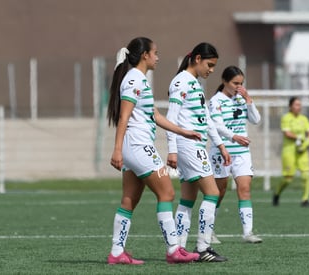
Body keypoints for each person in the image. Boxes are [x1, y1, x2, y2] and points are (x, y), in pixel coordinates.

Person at [107, 37, 201, 265]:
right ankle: (173, 249)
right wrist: (117, 150)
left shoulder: (139, 79)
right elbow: (124, 117)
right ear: (144, 56)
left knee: (129, 200)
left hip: (135, 147)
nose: (158, 57)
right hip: (138, 146)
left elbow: (156, 116)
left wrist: (183, 132)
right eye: (155, 53)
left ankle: (117, 253)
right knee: (167, 193)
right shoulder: (134, 80)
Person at [166, 42, 231, 262]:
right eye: (209, 64)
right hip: (189, 146)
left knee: (187, 199)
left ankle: (179, 248)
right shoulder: (181, 82)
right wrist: (172, 150)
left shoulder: (193, 83)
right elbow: (171, 119)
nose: (211, 70)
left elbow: (207, 119)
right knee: (212, 194)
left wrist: (221, 145)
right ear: (197, 59)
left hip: (194, 146)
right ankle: (203, 248)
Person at [208, 66, 262, 244]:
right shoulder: (216, 101)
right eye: (235, 83)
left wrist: (248, 99)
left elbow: (256, 120)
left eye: (241, 84)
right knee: (219, 192)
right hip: (222, 152)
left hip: (242, 153)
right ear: (225, 81)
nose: (238, 87)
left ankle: (248, 233)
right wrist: (234, 137)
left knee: (245, 189)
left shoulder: (241, 99)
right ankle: (209, 230)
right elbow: (216, 126)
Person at [273, 96, 309, 207]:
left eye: (300, 105)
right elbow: (287, 133)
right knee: (288, 179)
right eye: (296, 105)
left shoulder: (303, 119)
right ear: (290, 106)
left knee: (306, 175)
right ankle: (277, 193)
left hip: (302, 151)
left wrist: (305, 144)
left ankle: (305, 199)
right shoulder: (286, 118)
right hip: (289, 151)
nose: (298, 107)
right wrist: (299, 138)